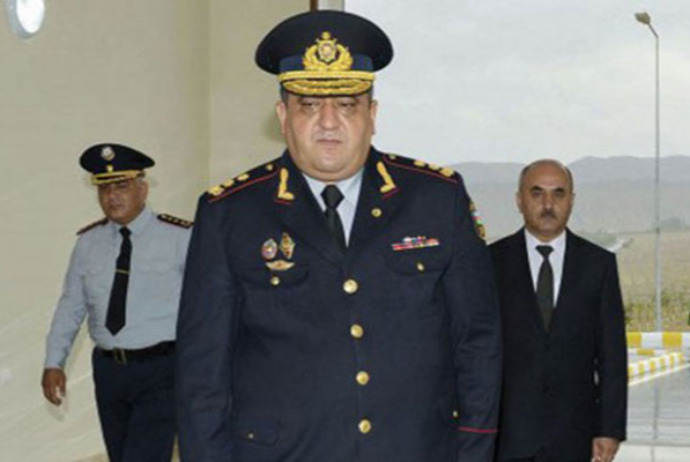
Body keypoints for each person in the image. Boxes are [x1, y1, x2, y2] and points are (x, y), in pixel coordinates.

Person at [175, 10, 502, 462]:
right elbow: (201, 376)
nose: (328, 122)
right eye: (309, 105)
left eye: (347, 105)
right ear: (282, 115)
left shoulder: (437, 199)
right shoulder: (229, 213)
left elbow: (478, 344)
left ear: (373, 114)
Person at [41, 143, 192, 461]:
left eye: (121, 186)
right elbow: (71, 305)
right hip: (109, 370)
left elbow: (204, 306)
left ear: (143, 189)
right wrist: (54, 362)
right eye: (104, 188)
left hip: (161, 369)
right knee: (120, 454)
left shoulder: (180, 238)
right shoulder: (88, 243)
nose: (112, 196)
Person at [489, 159, 627, 462]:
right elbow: (476, 351)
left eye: (559, 193)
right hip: (506, 437)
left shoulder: (598, 265)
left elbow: (612, 355)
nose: (548, 204)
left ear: (572, 200)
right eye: (537, 193)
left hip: (574, 436)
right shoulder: (490, 263)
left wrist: (609, 428)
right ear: (519, 200)